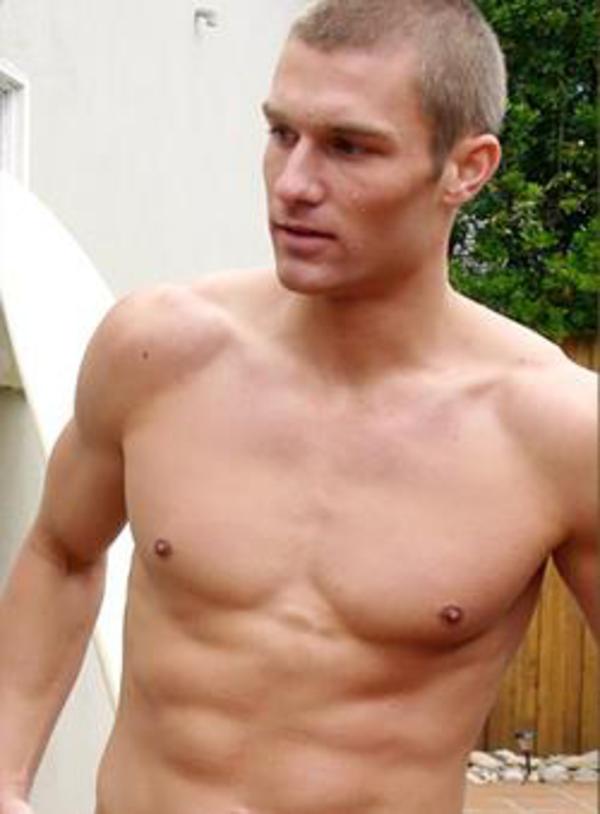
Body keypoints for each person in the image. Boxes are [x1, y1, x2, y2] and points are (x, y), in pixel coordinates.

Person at [0, 0, 597, 812]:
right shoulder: (157, 350)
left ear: (468, 168)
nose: (293, 185)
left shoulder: (558, 430)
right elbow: (61, 555)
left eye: (350, 147)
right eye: (282, 133)